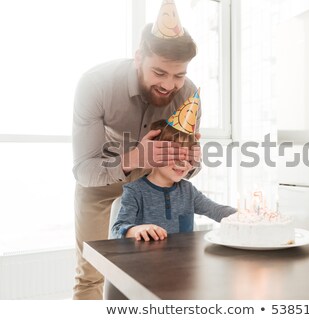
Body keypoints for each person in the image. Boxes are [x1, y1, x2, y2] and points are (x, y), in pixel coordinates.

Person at [72, 0, 200, 299]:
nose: (169, 85)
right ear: (138, 57)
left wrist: (191, 162)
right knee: (91, 273)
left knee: (161, 268)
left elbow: (189, 168)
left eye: (178, 75)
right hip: (102, 178)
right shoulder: (96, 84)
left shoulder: (189, 92)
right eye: (159, 72)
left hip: (154, 182)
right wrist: (135, 158)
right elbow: (83, 169)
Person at [111, 119, 236, 241]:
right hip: (146, 260)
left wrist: (245, 216)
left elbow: (217, 211)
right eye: (176, 155)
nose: (183, 164)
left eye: (189, 158)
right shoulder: (134, 191)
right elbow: (117, 229)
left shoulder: (188, 191)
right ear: (154, 154)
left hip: (183, 260)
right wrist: (137, 230)